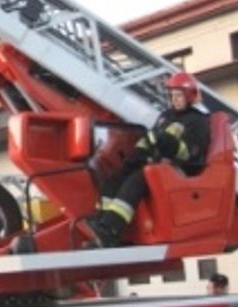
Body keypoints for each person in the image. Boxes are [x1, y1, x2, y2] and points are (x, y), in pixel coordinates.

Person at [84, 72, 211, 248]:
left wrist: (166, 142)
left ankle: (111, 229)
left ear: (190, 96)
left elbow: (190, 154)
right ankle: (102, 225)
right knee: (115, 179)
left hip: (178, 170)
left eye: (179, 95)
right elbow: (148, 140)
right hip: (156, 166)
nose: (175, 99)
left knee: (138, 180)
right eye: (172, 95)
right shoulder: (165, 117)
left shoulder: (197, 122)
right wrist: (133, 159)